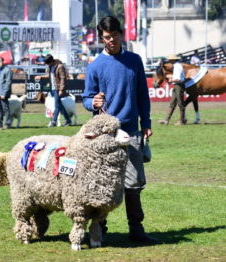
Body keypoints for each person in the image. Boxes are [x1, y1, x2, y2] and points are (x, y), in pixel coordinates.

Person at [82, 16, 159, 244]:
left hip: (131, 132)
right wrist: (92, 102)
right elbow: (87, 97)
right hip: (105, 135)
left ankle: (136, 230)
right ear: (101, 38)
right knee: (103, 183)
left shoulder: (134, 60)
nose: (111, 41)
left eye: (114, 36)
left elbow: (142, 96)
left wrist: (146, 123)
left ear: (121, 34)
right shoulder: (94, 65)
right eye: (106, 37)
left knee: (134, 184)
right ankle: (99, 230)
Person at [35, 54, 72, 127]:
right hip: (52, 89)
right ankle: (68, 120)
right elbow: (49, 76)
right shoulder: (50, 66)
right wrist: (41, 77)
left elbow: (63, 78)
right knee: (59, 105)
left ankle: (54, 122)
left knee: (57, 105)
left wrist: (61, 89)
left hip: (58, 89)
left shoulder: (60, 66)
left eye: (48, 63)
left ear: (52, 60)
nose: (47, 65)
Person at [158, 54, 187, 125]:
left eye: (170, 60)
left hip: (179, 85)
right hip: (177, 85)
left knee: (180, 103)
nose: (169, 61)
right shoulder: (176, 66)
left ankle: (182, 120)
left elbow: (178, 79)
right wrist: (170, 79)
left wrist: (170, 78)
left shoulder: (177, 67)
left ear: (174, 60)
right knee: (172, 103)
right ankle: (166, 120)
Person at [0, 57, 12, 129]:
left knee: (5, 109)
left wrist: (4, 93)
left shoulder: (7, 70)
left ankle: (7, 124)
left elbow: (8, 83)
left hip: (3, 93)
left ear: (3, 61)